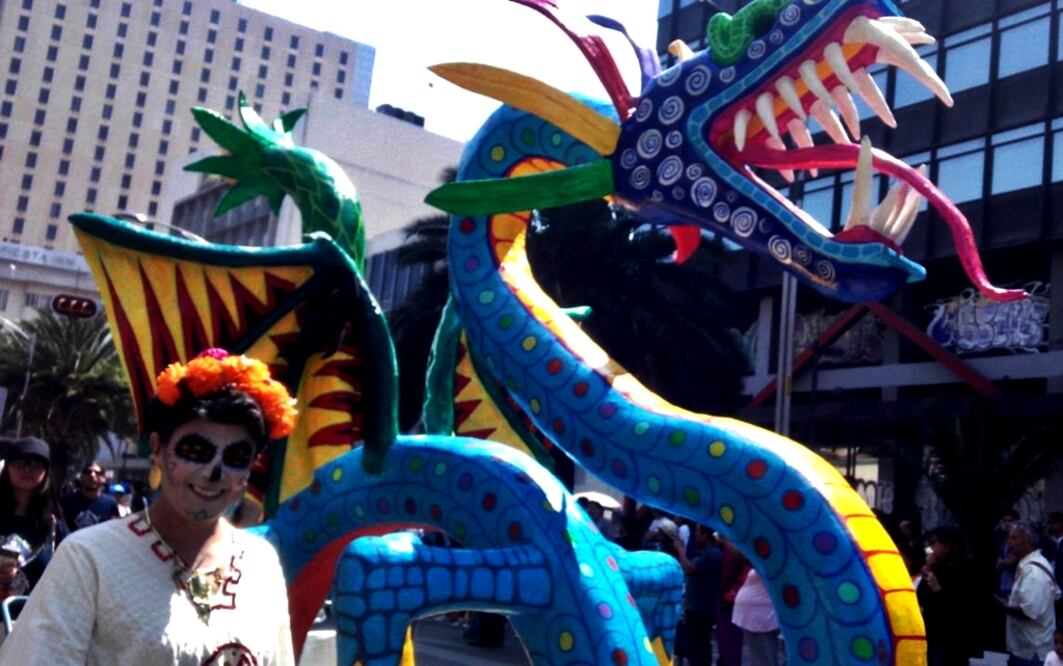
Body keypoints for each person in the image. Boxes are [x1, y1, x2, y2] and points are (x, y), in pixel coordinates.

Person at [0, 349, 297, 663]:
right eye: (195, 451)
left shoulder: (260, 561)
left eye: (237, 458)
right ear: (157, 449)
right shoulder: (90, 557)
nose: (214, 473)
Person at [0, 437, 67, 593]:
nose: (27, 470)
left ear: (46, 471)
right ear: (7, 468)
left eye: (36, 464)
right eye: (19, 462)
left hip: (34, 614)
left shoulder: (54, 526)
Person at [917, 525, 982, 666]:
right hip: (933, 636)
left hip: (954, 640)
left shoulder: (969, 569)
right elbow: (920, 597)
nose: (932, 548)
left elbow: (961, 608)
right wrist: (928, 569)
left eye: (935, 543)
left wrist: (938, 589)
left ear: (948, 545)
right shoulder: (937, 567)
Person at [997, 522, 1057, 665]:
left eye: (1014, 538)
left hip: (1033, 649)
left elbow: (1030, 611)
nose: (1009, 543)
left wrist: (1003, 606)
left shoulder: (1034, 572)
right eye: (1008, 538)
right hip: (1024, 647)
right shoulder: (1027, 566)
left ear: (1028, 541)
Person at [671, 525, 721, 666]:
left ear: (706, 535)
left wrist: (680, 549)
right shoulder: (706, 553)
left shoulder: (711, 554)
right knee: (697, 645)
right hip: (698, 605)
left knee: (698, 645)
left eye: (698, 532)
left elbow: (689, 568)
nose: (696, 536)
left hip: (701, 607)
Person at [732, 566, 781, 665]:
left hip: (760, 618)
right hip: (755, 616)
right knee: (759, 658)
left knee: (763, 660)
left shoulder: (775, 563)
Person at [59, 461, 120, 531]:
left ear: (104, 479)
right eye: (88, 472)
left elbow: (114, 531)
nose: (92, 475)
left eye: (97, 473)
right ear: (81, 476)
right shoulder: (66, 502)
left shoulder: (110, 504)